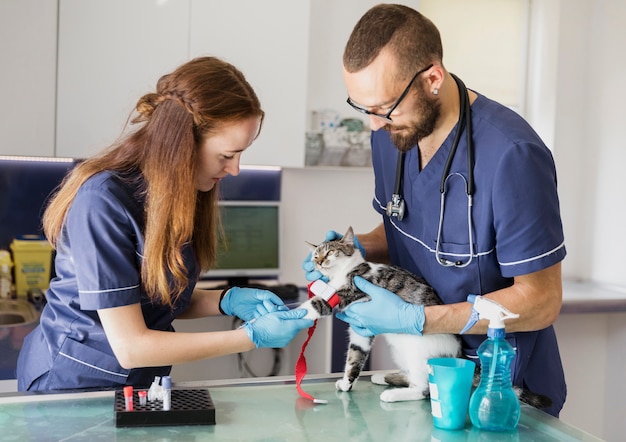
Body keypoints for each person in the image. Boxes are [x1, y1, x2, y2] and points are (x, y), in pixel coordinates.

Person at [304, 4, 566, 417]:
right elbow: (406, 228)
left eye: (385, 107)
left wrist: (420, 320)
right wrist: (353, 253)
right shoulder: (391, 134)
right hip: (426, 374)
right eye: (362, 108)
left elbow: (542, 300)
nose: (373, 125)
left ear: (432, 78)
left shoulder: (513, 155)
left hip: (498, 388)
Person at [18, 56, 313, 392]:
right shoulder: (102, 202)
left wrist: (225, 299)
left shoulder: (179, 197)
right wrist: (249, 337)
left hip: (138, 385)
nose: (235, 170)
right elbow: (130, 347)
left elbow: (155, 295)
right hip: (71, 386)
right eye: (227, 155)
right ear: (184, 145)